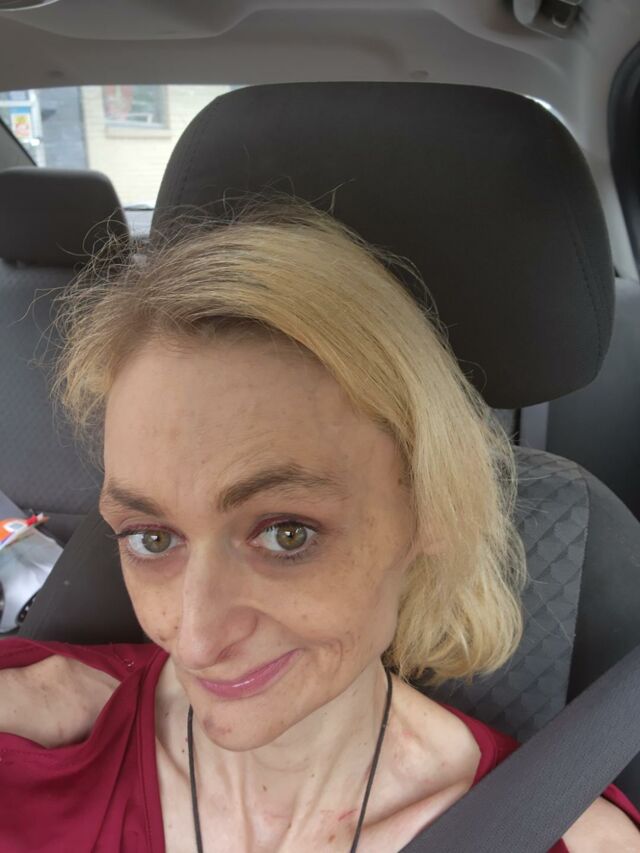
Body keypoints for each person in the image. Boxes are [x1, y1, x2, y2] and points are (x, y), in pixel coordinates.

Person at [0, 200, 638, 852]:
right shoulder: (29, 727)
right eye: (151, 538)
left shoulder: (568, 838)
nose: (195, 639)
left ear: (432, 509)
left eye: (286, 533)